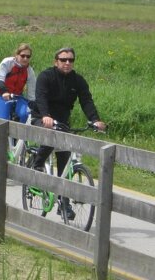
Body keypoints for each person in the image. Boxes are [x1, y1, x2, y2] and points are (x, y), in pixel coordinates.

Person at [29, 46, 107, 219]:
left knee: (64, 160)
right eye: (63, 59)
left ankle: (63, 204)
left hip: (63, 122)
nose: (67, 63)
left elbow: (86, 101)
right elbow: (40, 97)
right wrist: (45, 116)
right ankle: (37, 163)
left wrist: (95, 120)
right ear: (56, 61)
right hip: (42, 117)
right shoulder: (46, 76)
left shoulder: (77, 80)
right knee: (52, 137)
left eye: (70, 60)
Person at [0, 43, 36, 124]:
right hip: (3, 95)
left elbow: (32, 92)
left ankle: (17, 135)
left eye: (28, 56)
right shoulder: (7, 62)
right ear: (17, 55)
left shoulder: (29, 71)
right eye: (23, 56)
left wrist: (32, 106)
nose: (25, 59)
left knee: (24, 114)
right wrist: (4, 92)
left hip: (18, 96)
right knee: (3, 122)